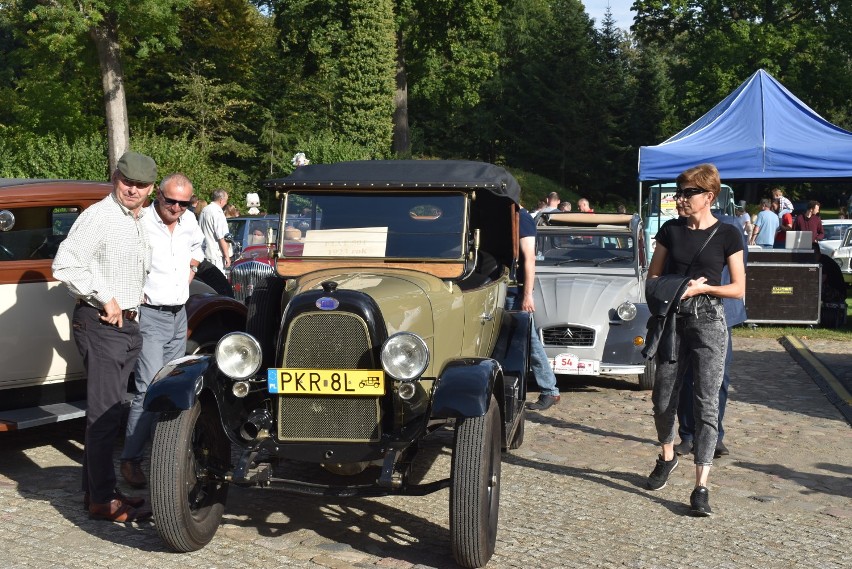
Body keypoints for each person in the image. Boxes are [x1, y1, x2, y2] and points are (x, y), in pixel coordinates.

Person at [52, 151, 156, 522]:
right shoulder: (100, 216)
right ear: (116, 177)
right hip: (102, 322)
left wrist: (134, 298)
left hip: (125, 324)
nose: (132, 189)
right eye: (127, 181)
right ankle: (101, 501)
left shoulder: (138, 219)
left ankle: (93, 493)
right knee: (104, 417)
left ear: (151, 189)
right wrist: (105, 296)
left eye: (141, 185)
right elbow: (64, 264)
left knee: (109, 412)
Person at [644, 163, 745, 516]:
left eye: (688, 193)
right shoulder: (670, 231)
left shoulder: (729, 234)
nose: (680, 199)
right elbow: (652, 279)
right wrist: (675, 288)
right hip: (672, 321)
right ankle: (667, 456)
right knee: (662, 400)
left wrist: (705, 288)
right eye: (679, 191)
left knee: (707, 404)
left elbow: (738, 288)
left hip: (709, 321)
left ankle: (701, 486)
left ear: (709, 197)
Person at [119, 173, 204, 489]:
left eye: (184, 203)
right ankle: (131, 459)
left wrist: (193, 266)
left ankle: (166, 458)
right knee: (147, 390)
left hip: (178, 313)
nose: (177, 208)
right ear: (158, 196)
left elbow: (199, 245)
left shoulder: (189, 221)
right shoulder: (139, 221)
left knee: (172, 387)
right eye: (171, 201)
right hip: (151, 315)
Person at [674, 208, 748, 460]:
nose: (682, 199)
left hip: (721, 310)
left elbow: (738, 268)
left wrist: (710, 288)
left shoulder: (730, 226)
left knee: (718, 379)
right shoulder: (679, 226)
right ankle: (687, 434)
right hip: (687, 310)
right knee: (685, 375)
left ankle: (714, 435)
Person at [508, 206, 560, 411]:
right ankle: (549, 389)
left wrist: (527, 295)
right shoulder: (508, 217)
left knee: (530, 341)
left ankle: (550, 390)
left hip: (516, 291)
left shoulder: (523, 220)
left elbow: (529, 258)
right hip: (504, 289)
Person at [199, 188, 231, 273]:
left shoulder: (204, 210)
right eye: (226, 200)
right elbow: (221, 237)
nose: (226, 203)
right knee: (217, 282)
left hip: (204, 253)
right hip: (215, 255)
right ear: (221, 200)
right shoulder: (218, 213)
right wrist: (227, 255)